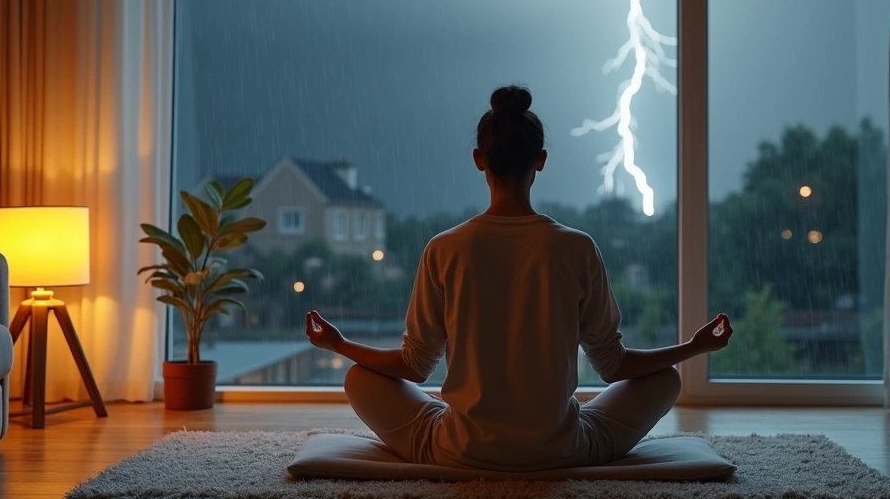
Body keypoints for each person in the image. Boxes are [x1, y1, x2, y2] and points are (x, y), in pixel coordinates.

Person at [304, 85, 733, 472]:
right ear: (540, 161)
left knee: (358, 377)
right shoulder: (577, 247)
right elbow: (613, 366)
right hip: (562, 451)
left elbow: (415, 367)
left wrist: (338, 344)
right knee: (667, 377)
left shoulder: (444, 248)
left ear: (478, 161)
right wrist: (694, 347)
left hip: (459, 449)